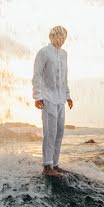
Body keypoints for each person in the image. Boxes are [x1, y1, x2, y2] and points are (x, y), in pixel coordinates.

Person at [32, 25, 73, 177]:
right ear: (52, 36)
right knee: (50, 132)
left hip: (60, 98)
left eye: (64, 37)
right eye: (59, 36)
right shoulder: (43, 52)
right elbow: (36, 75)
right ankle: (47, 166)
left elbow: (64, 77)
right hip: (47, 98)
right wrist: (37, 97)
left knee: (60, 132)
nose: (62, 40)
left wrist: (68, 96)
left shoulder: (64, 54)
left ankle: (55, 164)